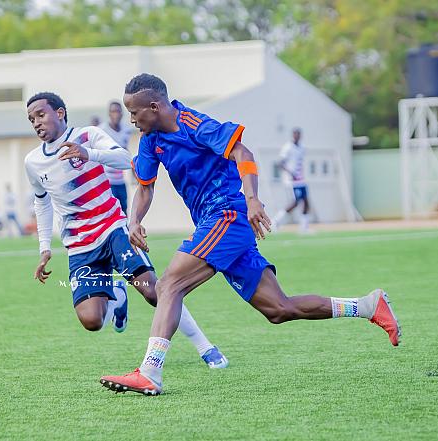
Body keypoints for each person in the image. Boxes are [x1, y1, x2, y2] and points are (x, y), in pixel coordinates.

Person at [100, 74, 401, 396]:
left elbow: (243, 154)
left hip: (227, 214)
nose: (131, 120)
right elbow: (145, 188)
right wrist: (134, 220)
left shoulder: (195, 124)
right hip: (215, 224)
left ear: (155, 106)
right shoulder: (150, 140)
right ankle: (368, 306)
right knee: (279, 309)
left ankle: (150, 372)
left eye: (134, 112)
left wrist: (253, 199)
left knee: (169, 284)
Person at [24, 92, 227, 369]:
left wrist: (89, 154)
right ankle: (117, 294)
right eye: (31, 119)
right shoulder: (33, 162)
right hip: (80, 245)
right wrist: (44, 247)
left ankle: (206, 347)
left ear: (59, 113)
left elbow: (125, 159)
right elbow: (41, 203)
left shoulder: (88, 135)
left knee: (154, 291)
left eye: (40, 114)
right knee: (91, 321)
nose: (36, 122)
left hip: (113, 228)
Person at [272, 128, 311, 233]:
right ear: (293, 135)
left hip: (301, 180)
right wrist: (290, 173)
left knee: (306, 202)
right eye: (295, 134)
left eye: (298, 134)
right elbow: (280, 163)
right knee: (295, 202)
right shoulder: (288, 147)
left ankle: (304, 227)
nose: (297, 136)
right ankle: (276, 221)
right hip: (291, 181)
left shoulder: (302, 147)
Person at [99, 101, 133, 213]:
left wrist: (134, 171)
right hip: (106, 180)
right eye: (113, 112)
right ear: (109, 114)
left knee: (124, 210)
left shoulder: (126, 130)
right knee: (110, 211)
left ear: (122, 113)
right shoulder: (102, 130)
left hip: (120, 179)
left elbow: (126, 151)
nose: (116, 114)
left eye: (118, 111)